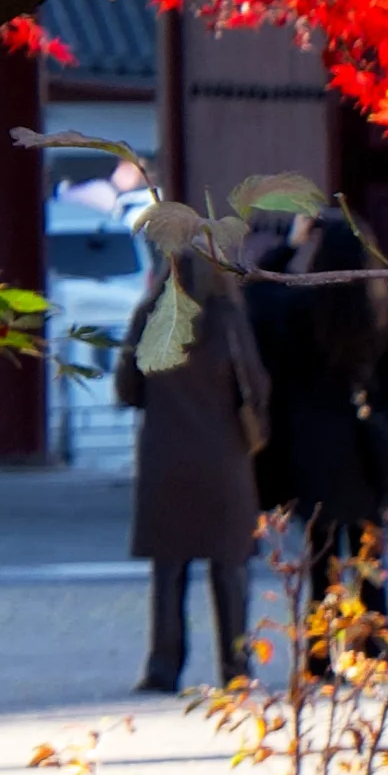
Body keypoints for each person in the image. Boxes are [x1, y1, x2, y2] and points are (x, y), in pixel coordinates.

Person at [247, 208, 388, 647]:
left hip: (311, 442)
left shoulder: (301, 306)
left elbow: (254, 291)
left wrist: (290, 245)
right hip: (367, 445)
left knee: (321, 557)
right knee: (368, 553)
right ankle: (373, 649)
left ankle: (320, 657)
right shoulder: (385, 309)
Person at [117, 225, 272, 695]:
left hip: (165, 456)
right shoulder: (228, 319)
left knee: (168, 568)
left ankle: (163, 667)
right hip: (224, 459)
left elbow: (127, 387)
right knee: (229, 569)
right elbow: (256, 385)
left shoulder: (151, 316)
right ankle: (236, 667)